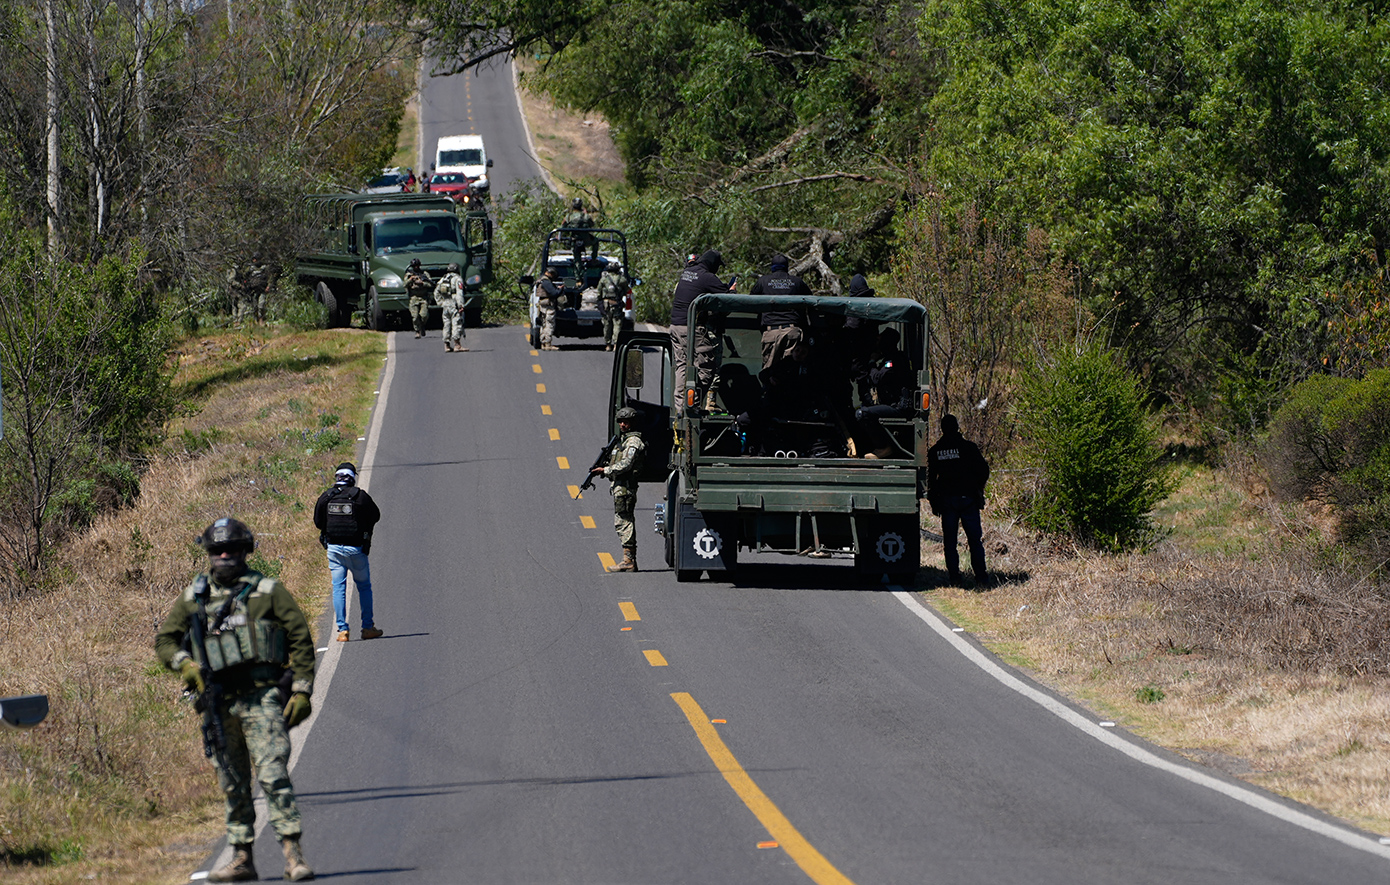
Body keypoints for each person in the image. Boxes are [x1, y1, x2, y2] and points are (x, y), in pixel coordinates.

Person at [155, 518, 316, 882]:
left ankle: (293, 856)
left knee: (273, 775)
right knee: (232, 781)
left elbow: (301, 639)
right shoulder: (194, 597)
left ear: (246, 551)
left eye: (231, 549)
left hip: (262, 698)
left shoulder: (268, 591)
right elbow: (165, 640)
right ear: (208, 554)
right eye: (216, 550)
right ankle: (242, 857)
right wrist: (185, 664)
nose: (224, 555)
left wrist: (303, 689)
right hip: (218, 702)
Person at [313, 462, 383, 642]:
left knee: (339, 588)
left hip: (334, 549)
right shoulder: (359, 496)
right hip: (356, 549)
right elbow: (376, 515)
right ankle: (368, 627)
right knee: (364, 587)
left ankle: (342, 631)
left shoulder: (326, 497)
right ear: (352, 478)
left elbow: (318, 522)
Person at [927, 414, 991, 586]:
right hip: (968, 499)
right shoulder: (968, 447)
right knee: (975, 541)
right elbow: (984, 470)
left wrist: (934, 502)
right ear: (957, 427)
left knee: (950, 542)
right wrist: (978, 488)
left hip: (947, 501)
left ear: (942, 429)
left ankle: (954, 578)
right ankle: (981, 578)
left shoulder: (936, 451)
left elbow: (931, 480)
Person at [669, 250, 733, 413]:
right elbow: (727, 298)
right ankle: (692, 405)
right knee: (707, 366)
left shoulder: (688, 272)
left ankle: (680, 407)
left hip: (675, 326)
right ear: (713, 264)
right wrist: (732, 289)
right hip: (692, 327)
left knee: (682, 365)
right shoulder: (707, 277)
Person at [591, 407, 645, 572]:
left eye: (626, 422)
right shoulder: (623, 441)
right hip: (620, 486)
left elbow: (626, 464)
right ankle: (628, 560)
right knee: (621, 521)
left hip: (626, 487)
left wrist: (605, 470)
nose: (622, 425)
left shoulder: (633, 442)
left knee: (624, 522)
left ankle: (628, 561)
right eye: (621, 422)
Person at [750, 253, 812, 370]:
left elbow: (750, 302)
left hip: (770, 332)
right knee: (790, 369)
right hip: (792, 331)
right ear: (786, 267)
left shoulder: (763, 281)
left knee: (769, 370)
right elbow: (811, 301)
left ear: (772, 267)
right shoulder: (797, 282)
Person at [433, 262, 468, 352]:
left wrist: (440, 302)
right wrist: (461, 305)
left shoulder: (443, 278)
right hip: (454, 304)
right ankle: (457, 345)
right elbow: (459, 293)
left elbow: (436, 292)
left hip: (446, 304)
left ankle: (447, 345)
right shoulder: (457, 279)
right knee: (457, 323)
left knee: (446, 324)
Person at [227, 254, 271, 324]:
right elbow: (244, 278)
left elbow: (269, 277)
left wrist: (268, 286)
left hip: (262, 289)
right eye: (253, 259)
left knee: (261, 305)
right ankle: (240, 321)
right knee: (253, 307)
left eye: (255, 259)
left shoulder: (264, 268)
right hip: (251, 290)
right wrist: (243, 286)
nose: (254, 261)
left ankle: (260, 320)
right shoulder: (248, 269)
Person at [598, 263, 626, 351]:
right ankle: (616, 345)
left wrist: (600, 304)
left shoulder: (603, 280)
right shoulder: (622, 279)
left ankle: (608, 345)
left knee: (607, 325)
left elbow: (598, 293)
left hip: (606, 305)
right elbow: (627, 291)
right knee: (617, 325)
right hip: (616, 304)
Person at [535, 266, 563, 351]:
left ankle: (544, 343)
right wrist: (560, 290)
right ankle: (547, 344)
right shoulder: (546, 282)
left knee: (544, 324)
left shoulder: (541, 281)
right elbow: (554, 293)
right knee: (549, 325)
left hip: (543, 306)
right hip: (548, 307)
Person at [404, 258, 433, 339]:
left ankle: (422, 326)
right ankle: (417, 331)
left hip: (423, 297)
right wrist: (410, 280)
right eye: (414, 266)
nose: (416, 267)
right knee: (415, 316)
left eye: (417, 266)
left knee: (424, 315)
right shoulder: (409, 275)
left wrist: (422, 283)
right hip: (413, 298)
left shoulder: (425, 274)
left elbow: (430, 284)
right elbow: (404, 285)